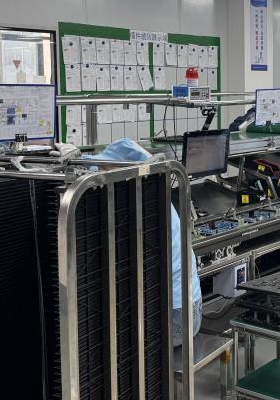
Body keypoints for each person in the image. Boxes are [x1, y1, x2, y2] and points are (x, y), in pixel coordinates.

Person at [84, 138, 202, 345]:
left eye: (103, 169)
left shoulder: (141, 208)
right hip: (189, 309)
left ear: (126, 173)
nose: (100, 175)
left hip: (176, 318)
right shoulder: (152, 194)